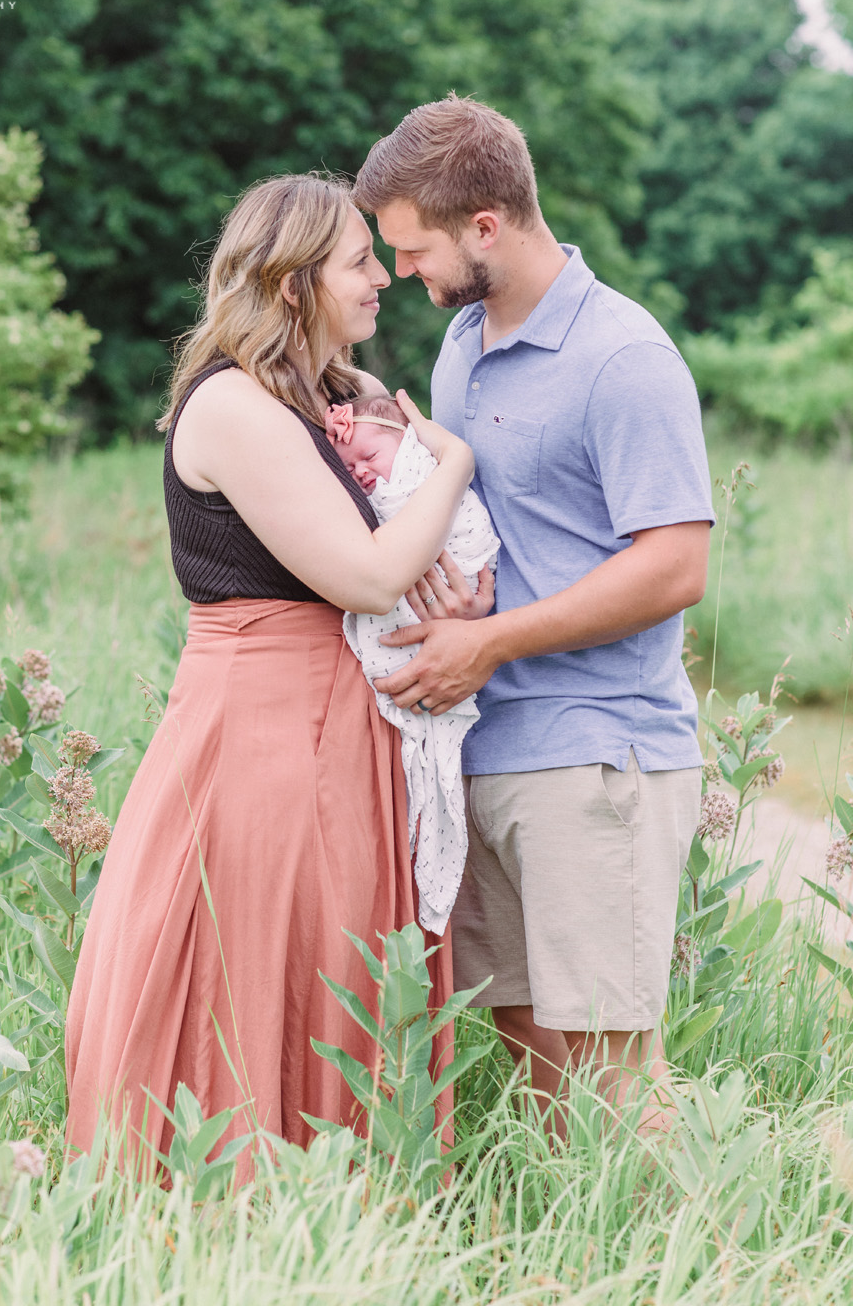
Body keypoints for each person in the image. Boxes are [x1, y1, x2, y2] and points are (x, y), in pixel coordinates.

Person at [64, 173, 475, 1178]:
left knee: (332, 959)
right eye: (357, 262)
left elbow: (386, 565)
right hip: (262, 726)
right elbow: (368, 568)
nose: (380, 278)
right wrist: (454, 465)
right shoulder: (234, 407)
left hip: (335, 718)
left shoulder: (317, 399)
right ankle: (218, 1207)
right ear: (292, 285)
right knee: (249, 950)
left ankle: (332, 1211)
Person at [352, 97, 715, 1133]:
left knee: (611, 1063)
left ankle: (695, 1277)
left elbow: (675, 564)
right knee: (531, 1057)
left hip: (597, 753)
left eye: (413, 249)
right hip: (482, 741)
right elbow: (503, 529)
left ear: (484, 225)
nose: (402, 272)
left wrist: (491, 638)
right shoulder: (461, 343)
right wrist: (469, 600)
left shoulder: (622, 356)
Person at [324, 395, 499, 934]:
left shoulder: (420, 469)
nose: (361, 471)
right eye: (350, 468)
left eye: (371, 455)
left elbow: (460, 532)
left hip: (458, 610)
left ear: (408, 444)